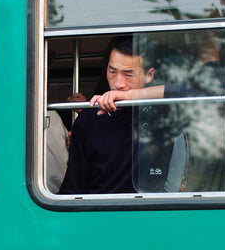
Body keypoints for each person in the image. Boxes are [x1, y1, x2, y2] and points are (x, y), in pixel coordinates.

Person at [59, 35, 155, 194]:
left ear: (149, 75)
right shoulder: (89, 119)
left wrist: (131, 96)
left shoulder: (163, 113)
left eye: (129, 75)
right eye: (112, 72)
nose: (118, 84)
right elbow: (74, 185)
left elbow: (190, 90)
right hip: (98, 212)